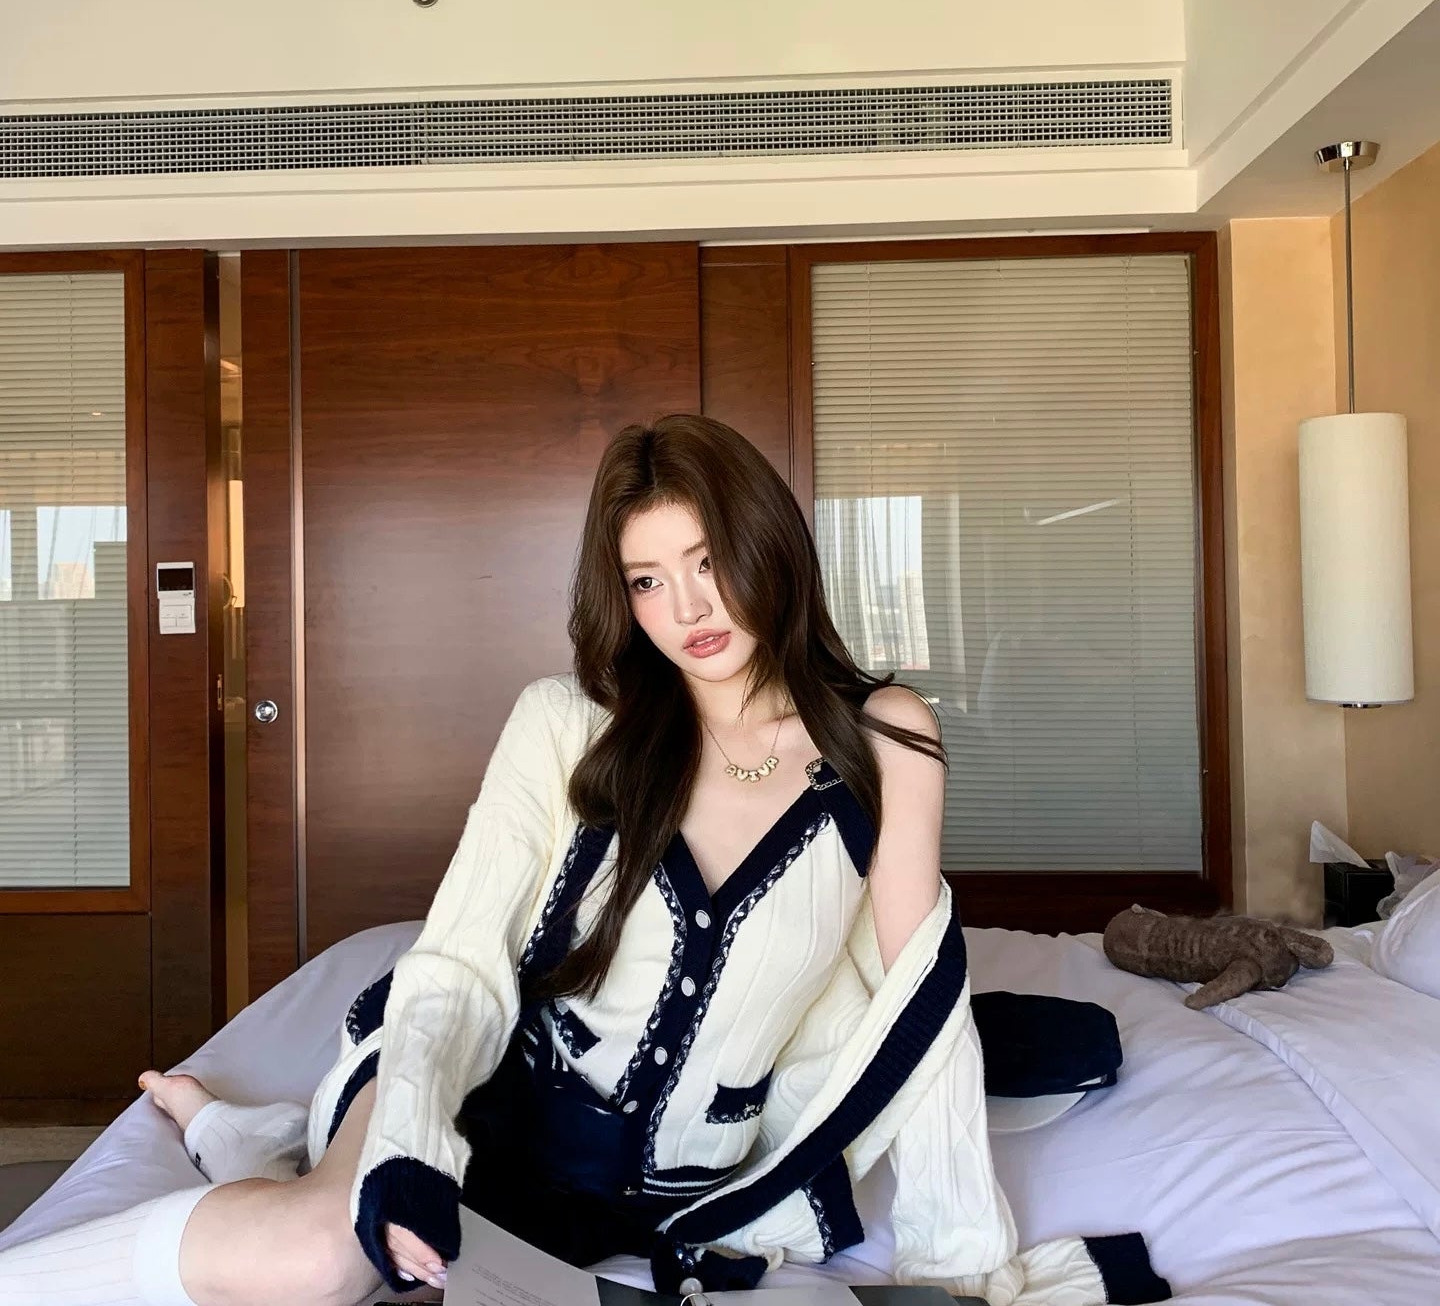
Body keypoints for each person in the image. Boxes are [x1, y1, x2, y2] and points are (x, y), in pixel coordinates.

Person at [0, 415, 1168, 1306]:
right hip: (483, 1100)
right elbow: (458, 958)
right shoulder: (567, 723)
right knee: (325, 1257)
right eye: (648, 580)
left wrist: (961, 1255)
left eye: (707, 560)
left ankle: (241, 1141)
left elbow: (923, 999)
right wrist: (410, 1152)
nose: (687, 607)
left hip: (668, 1191)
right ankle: (259, 1161)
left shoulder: (887, 738)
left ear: (769, 545)